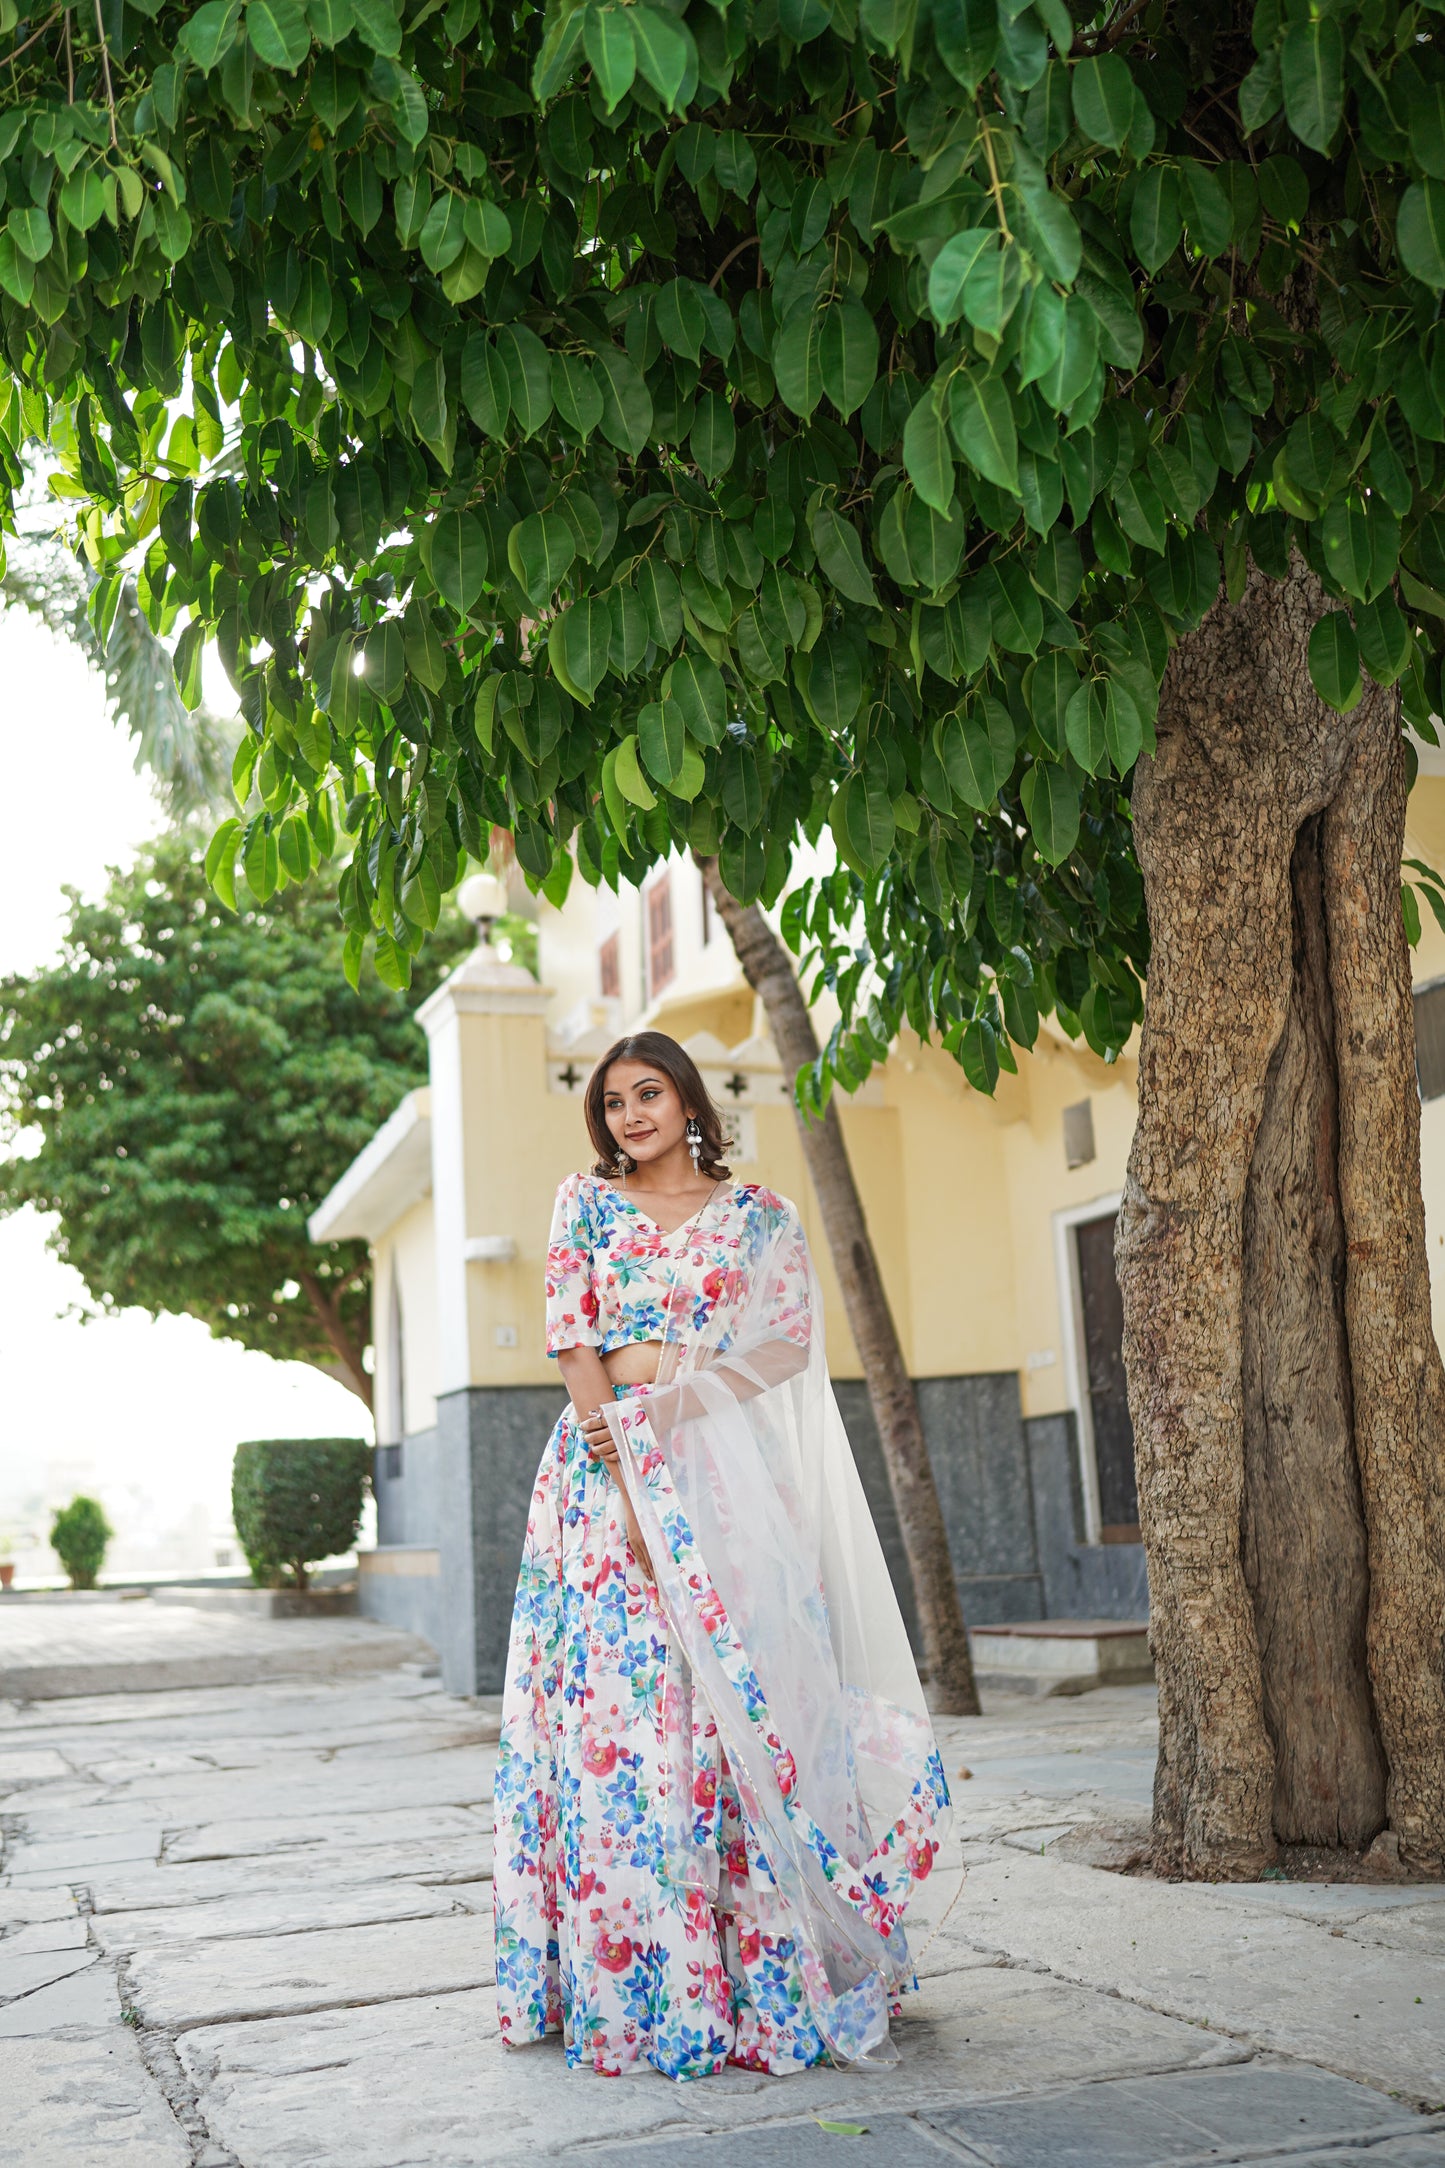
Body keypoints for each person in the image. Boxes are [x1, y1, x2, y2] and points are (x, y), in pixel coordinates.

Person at [492, 1030, 950, 2079]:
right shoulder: (586, 1204)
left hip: (725, 1472)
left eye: (647, 1093)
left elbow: (786, 1341)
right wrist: (626, 1473)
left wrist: (691, 1396)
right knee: (627, 1710)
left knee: (740, 1700)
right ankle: (642, 1971)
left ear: (690, 1100)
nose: (628, 1115)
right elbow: (573, 1338)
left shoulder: (760, 1217)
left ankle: (761, 1967)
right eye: (611, 1102)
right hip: (602, 1480)